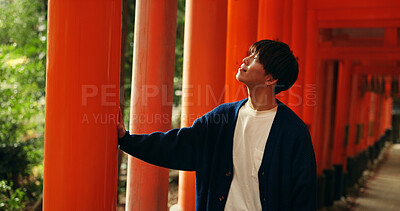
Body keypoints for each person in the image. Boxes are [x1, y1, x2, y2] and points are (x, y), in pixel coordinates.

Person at [117, 39, 317, 211]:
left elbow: (304, 194)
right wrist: (126, 140)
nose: (245, 60)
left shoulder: (293, 132)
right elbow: (177, 145)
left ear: (271, 79)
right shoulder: (222, 117)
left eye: (255, 58)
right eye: (250, 54)